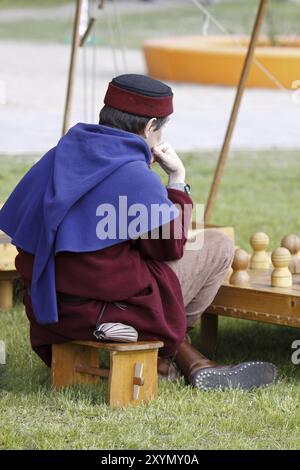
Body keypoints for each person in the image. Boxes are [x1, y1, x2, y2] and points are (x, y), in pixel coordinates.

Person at [0, 74, 277, 390]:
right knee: (217, 245)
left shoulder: (57, 156)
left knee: (141, 261)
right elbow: (168, 248)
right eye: (162, 129)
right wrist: (177, 180)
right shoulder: (135, 176)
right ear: (150, 128)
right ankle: (170, 353)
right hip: (112, 312)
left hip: (54, 311)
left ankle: (182, 359)